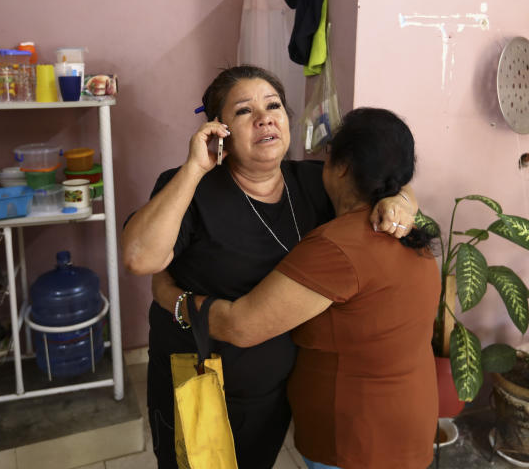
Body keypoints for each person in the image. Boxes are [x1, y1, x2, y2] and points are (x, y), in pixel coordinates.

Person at [122, 66, 417, 469]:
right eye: (244, 111)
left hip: (274, 388)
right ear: (218, 129)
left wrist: (404, 201)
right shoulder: (189, 188)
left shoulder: (315, 181)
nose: (265, 117)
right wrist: (194, 167)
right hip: (200, 381)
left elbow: (385, 179)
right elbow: (141, 258)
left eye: (273, 105)